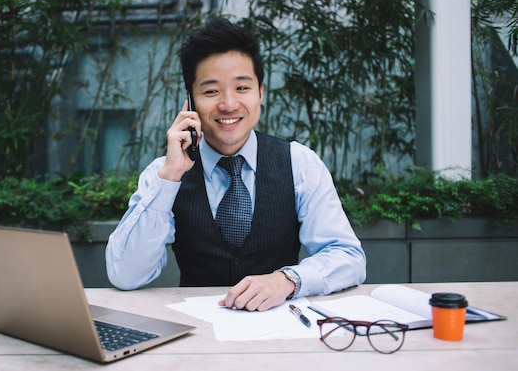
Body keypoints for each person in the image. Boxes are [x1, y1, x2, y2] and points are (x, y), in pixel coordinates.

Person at [105, 17, 366, 311]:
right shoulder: (163, 172)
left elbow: (348, 257)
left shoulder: (299, 163)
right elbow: (125, 275)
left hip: (281, 334)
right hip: (197, 337)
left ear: (261, 93)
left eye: (242, 88)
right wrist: (171, 177)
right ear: (189, 101)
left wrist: (288, 280)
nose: (228, 104)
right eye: (211, 91)